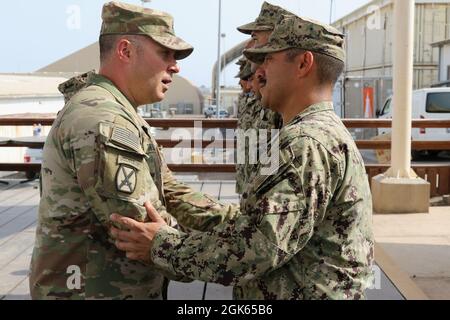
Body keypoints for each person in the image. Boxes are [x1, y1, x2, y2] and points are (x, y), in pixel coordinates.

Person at [111, 14, 375, 300]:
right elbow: (255, 224)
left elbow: (255, 250)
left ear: (303, 64)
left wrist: (161, 245)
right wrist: (174, 194)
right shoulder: (317, 134)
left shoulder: (305, 143)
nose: (258, 72)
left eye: (268, 60)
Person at [29, 1, 237, 300]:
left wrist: (234, 221)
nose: (175, 66)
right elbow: (141, 228)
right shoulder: (104, 120)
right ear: (125, 51)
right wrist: (242, 252)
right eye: (165, 53)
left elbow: (167, 189)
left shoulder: (116, 109)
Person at [234, 1, 288, 195]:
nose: (250, 46)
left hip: (268, 195)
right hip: (252, 185)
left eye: (256, 38)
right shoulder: (264, 95)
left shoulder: (281, 96)